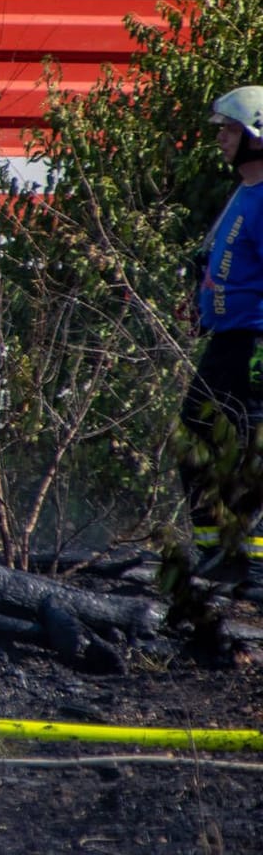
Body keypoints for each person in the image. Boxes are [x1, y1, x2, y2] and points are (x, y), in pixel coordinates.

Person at [179, 84, 263, 579]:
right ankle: (217, 555)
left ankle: (250, 565)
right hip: (227, 339)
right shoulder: (244, 192)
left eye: (232, 129)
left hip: (255, 342)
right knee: (195, 441)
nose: (222, 138)